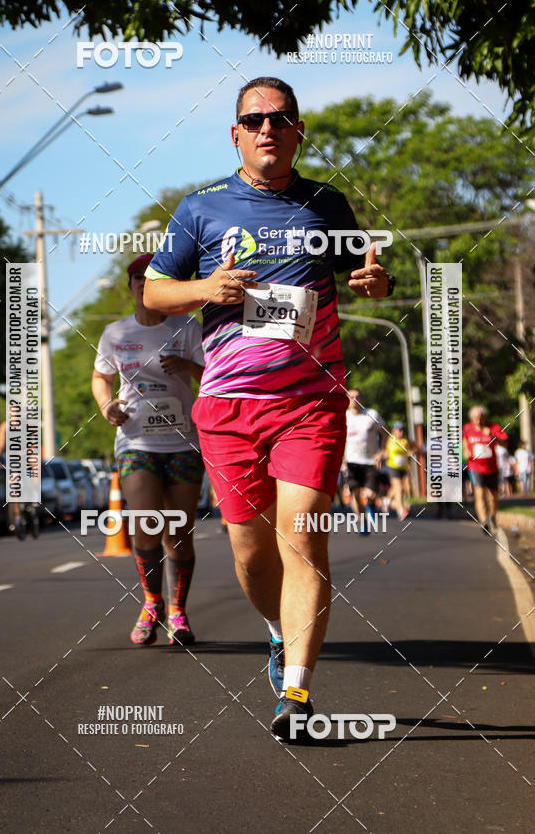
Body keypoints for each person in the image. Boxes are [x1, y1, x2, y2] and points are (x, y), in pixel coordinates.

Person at [143, 77, 394, 740]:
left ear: (297, 131)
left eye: (281, 118)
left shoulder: (325, 205)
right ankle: (280, 631)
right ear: (236, 133)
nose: (268, 128)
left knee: (303, 537)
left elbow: (363, 266)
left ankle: (297, 694)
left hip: (310, 401)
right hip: (228, 405)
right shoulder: (201, 210)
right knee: (253, 556)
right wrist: (208, 285)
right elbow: (153, 295)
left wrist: (376, 278)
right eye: (255, 118)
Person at [92, 254, 205, 646]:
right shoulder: (115, 333)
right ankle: (151, 603)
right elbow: (100, 377)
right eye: (137, 278)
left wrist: (187, 366)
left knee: (178, 531)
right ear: (130, 287)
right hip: (136, 441)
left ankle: (178, 612)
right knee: (145, 526)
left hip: (183, 442)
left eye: (151, 277)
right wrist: (106, 406)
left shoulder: (188, 328)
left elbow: (212, 378)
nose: (143, 283)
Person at [342, 390, 386, 534]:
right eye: (351, 397)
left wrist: (381, 451)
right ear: (347, 400)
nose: (354, 399)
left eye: (357, 397)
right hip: (351, 461)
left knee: (370, 494)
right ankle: (362, 522)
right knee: (354, 493)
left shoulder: (371, 415)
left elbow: (385, 433)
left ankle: (371, 505)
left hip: (370, 460)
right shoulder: (343, 416)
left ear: (362, 398)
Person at [462, 406, 508, 536]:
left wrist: (493, 435)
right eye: (474, 419)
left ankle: (492, 516)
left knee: (493, 496)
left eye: (480, 418)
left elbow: (504, 442)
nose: (477, 421)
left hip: (492, 467)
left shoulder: (494, 427)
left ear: (484, 417)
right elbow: (464, 439)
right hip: (475, 467)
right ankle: (484, 522)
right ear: (471, 419)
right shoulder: (467, 428)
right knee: (479, 493)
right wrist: (466, 449)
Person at [383, 421, 415, 519]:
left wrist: (411, 452)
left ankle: (387, 500)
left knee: (403, 487)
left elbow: (415, 448)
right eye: (398, 430)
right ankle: (401, 510)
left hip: (403, 467)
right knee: (398, 487)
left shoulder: (406, 441)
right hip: (392, 466)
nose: (400, 432)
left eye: (402, 430)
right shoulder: (389, 439)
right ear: (394, 430)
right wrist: (384, 454)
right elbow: (384, 450)